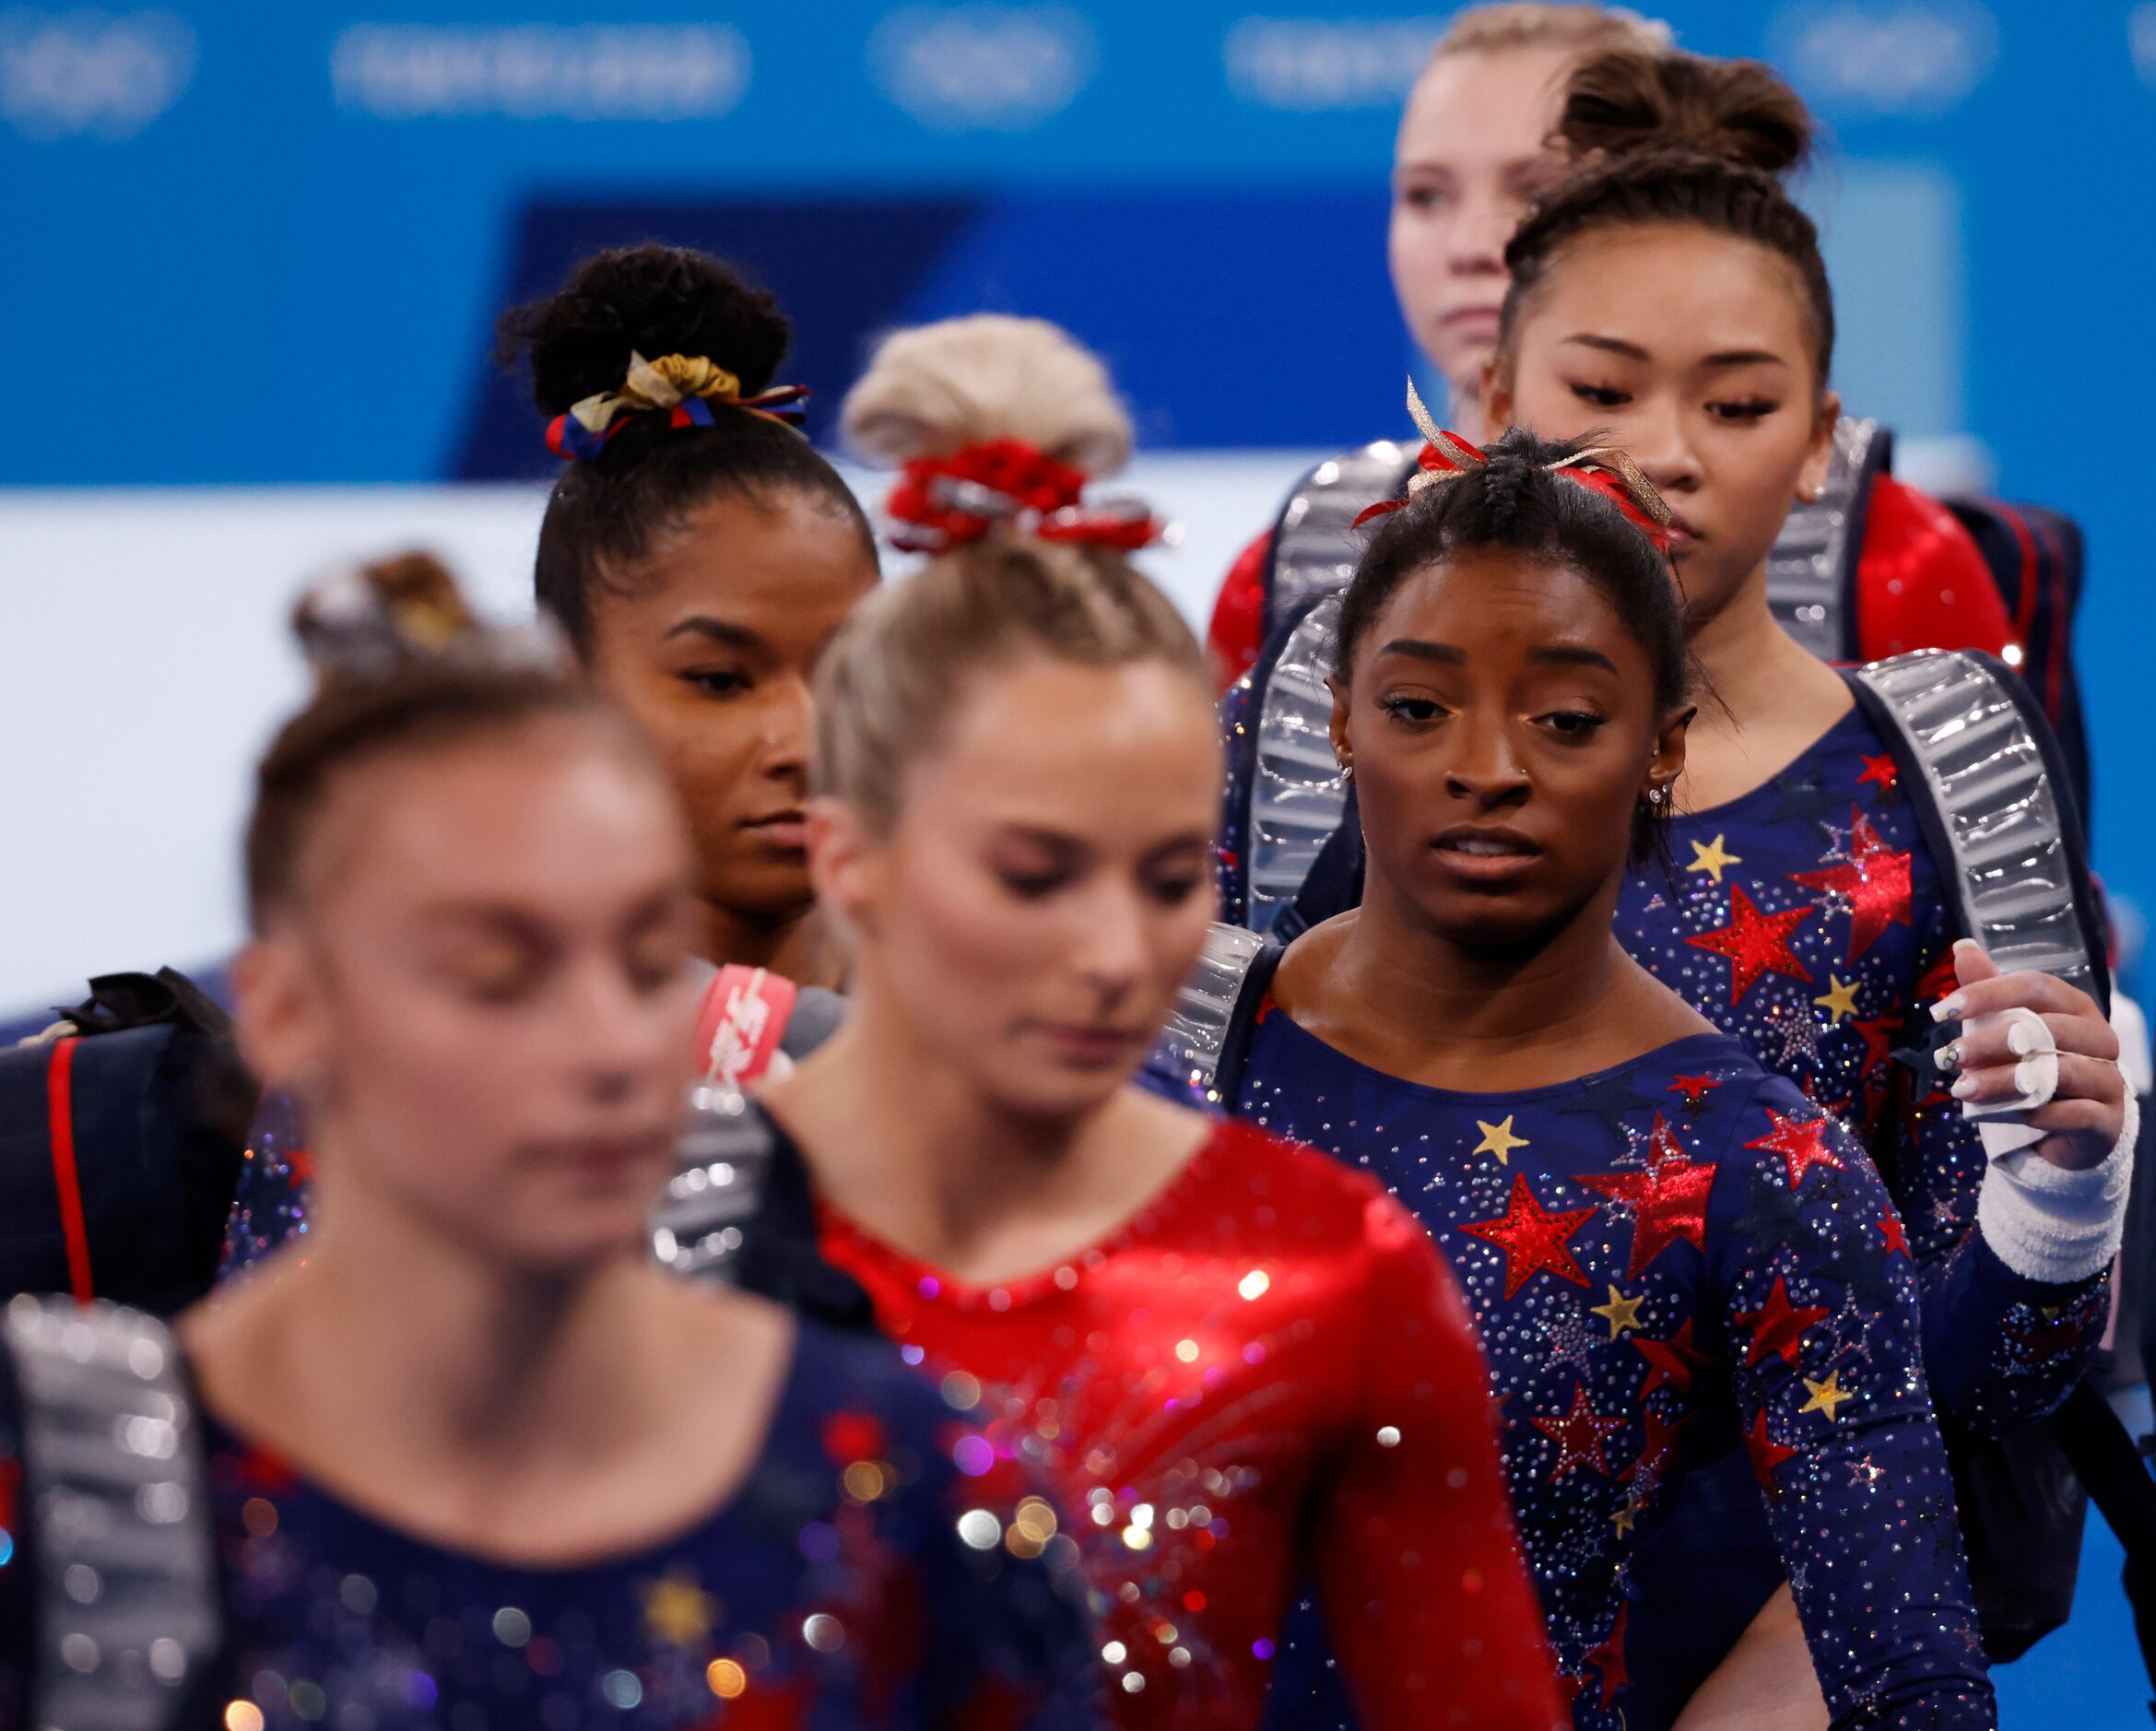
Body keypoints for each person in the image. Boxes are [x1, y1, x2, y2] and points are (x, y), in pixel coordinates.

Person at [0, 567, 1093, 1731]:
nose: (611, 1046)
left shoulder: (898, 1479)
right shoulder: (81, 1484)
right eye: (499, 974)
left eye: (641, 960)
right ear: (284, 1011)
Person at [688, 315, 1566, 1730]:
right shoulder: (640, 1239)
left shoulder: (1333, 1270)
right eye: (1034, 874)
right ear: (850, 858)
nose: (1114, 953)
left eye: (1167, 878)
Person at [1159, 426, 1997, 1728]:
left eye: (1560, 718)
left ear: (1659, 744)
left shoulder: (1763, 1167)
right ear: (1334, 719)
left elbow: (1912, 1686)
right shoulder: (1154, 1055)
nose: (1483, 769)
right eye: (1417, 707)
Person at [225, 245, 878, 1269]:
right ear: (565, 687)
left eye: (844, 669)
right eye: (718, 680)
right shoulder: (407, 1046)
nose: (804, 741)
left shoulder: (989, 1004)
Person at [1202, 2, 2017, 699]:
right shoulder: (1299, 563)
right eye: (1425, 195)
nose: (1472, 244)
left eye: (1534, 188)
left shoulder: (1891, 560)